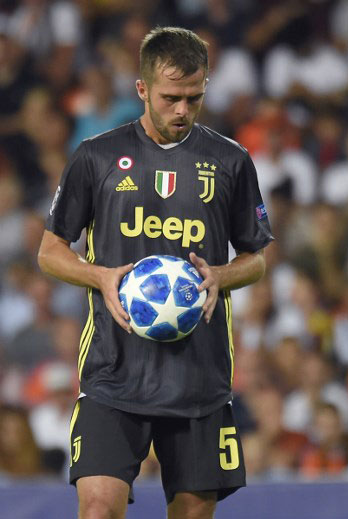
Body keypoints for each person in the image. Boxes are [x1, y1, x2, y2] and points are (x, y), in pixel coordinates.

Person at [37, 27, 273, 519]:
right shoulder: (96, 156)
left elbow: (256, 257)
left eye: (195, 97)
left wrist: (220, 277)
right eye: (171, 98)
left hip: (198, 376)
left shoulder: (231, 161)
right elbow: (50, 252)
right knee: (98, 509)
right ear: (142, 89)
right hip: (114, 370)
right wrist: (100, 276)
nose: (183, 111)